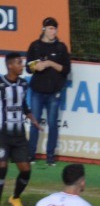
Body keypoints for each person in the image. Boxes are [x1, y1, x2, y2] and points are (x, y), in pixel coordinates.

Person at [0, 52, 40, 206]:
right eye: (19, 62)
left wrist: (32, 119)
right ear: (10, 65)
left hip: (19, 135)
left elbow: (23, 104)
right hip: (2, 133)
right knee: (2, 168)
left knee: (25, 169)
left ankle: (15, 198)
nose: (22, 65)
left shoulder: (23, 84)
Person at [25, 17, 70, 166]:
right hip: (37, 91)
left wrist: (50, 63)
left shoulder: (61, 48)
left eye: (55, 28)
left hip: (54, 92)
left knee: (52, 124)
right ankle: (31, 154)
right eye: (50, 28)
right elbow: (27, 67)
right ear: (44, 29)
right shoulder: (35, 46)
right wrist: (35, 67)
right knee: (34, 123)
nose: (53, 31)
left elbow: (66, 69)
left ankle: (50, 156)